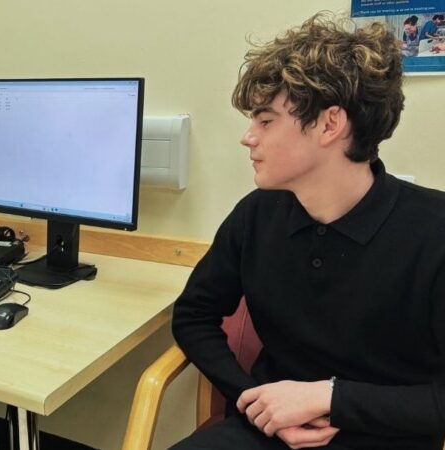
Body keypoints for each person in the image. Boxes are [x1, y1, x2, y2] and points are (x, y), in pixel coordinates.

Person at [170, 12, 445, 450]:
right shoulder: (257, 214)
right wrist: (253, 401)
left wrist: (329, 397)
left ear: (329, 125)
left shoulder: (433, 232)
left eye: (265, 121)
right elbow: (193, 316)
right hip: (267, 431)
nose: (248, 138)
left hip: (385, 435)